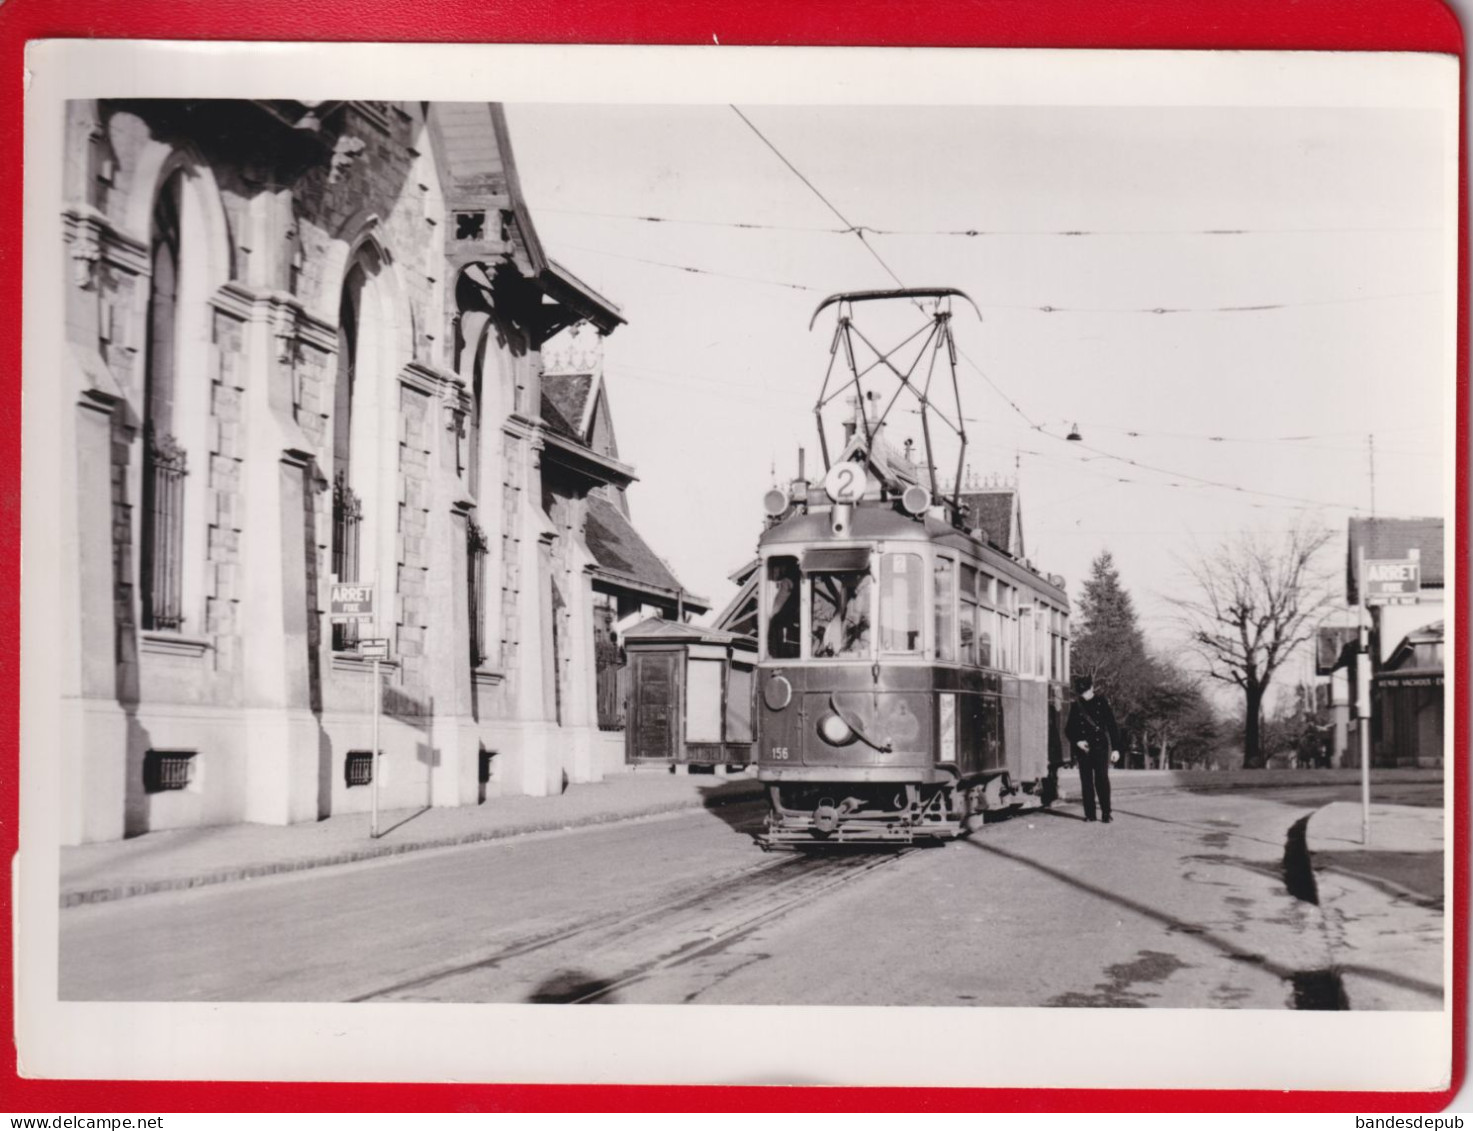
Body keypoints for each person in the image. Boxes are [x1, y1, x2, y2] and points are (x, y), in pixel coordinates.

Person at [1065, 674, 1123, 823]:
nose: (1084, 694)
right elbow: (1069, 729)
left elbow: (1112, 726)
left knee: (1102, 780)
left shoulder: (1102, 703)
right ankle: (1090, 814)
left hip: (1100, 747)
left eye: (1086, 691)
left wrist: (1116, 749)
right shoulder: (1076, 705)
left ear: (1092, 688)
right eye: (1082, 692)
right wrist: (1077, 741)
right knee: (1086, 782)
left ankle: (1106, 813)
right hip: (1084, 749)